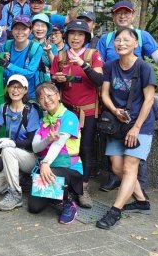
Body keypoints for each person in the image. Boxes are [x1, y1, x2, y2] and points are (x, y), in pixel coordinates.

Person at [97, 0, 158, 192]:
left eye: (127, 13)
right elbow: (99, 66)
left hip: (136, 100)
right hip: (114, 99)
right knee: (114, 139)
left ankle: (140, 189)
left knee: (135, 147)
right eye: (119, 13)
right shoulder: (106, 39)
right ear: (113, 16)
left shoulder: (142, 37)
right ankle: (115, 177)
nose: (123, 16)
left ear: (133, 15)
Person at [96, 27, 157, 230]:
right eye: (118, 40)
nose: (121, 43)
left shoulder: (144, 68)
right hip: (117, 122)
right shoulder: (110, 66)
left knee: (130, 167)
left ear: (136, 44)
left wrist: (136, 128)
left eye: (126, 40)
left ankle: (115, 211)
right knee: (116, 168)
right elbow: (104, 94)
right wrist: (115, 111)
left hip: (141, 124)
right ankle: (141, 201)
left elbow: (149, 100)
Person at [51, 19, 104, 208]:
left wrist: (83, 64)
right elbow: (56, 85)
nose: (76, 37)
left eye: (80, 34)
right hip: (66, 112)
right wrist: (56, 79)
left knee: (86, 149)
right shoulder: (60, 56)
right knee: (63, 147)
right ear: (67, 36)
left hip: (87, 112)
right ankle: (63, 186)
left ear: (86, 37)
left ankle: (83, 188)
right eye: (72, 33)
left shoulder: (93, 55)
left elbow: (99, 80)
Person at [0, 75, 40, 210]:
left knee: (7, 149)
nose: (15, 90)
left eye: (19, 87)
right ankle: (19, 179)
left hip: (28, 158)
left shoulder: (31, 111)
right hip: (10, 158)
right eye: (12, 86)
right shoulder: (4, 108)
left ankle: (15, 195)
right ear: (7, 89)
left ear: (25, 90)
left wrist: (12, 143)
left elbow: (32, 143)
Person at [29, 82, 83, 224]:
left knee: (51, 172)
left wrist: (45, 163)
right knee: (34, 207)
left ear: (58, 96)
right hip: (49, 167)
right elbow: (35, 148)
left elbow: (59, 144)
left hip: (70, 169)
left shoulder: (69, 117)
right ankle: (55, 197)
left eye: (49, 95)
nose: (46, 100)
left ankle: (68, 202)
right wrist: (47, 139)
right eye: (42, 98)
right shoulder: (43, 121)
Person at [0, 16, 43, 100]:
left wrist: (8, 65)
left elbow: (29, 74)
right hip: (10, 92)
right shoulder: (7, 45)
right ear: (12, 30)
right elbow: (0, 71)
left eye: (24, 29)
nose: (20, 32)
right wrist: (3, 61)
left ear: (30, 31)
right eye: (16, 29)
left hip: (29, 94)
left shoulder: (35, 48)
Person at [31, 13, 56, 84]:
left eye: (43, 26)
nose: (40, 29)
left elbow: (56, 66)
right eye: (37, 25)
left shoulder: (52, 46)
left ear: (47, 29)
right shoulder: (27, 43)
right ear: (32, 28)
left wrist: (49, 52)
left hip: (46, 82)